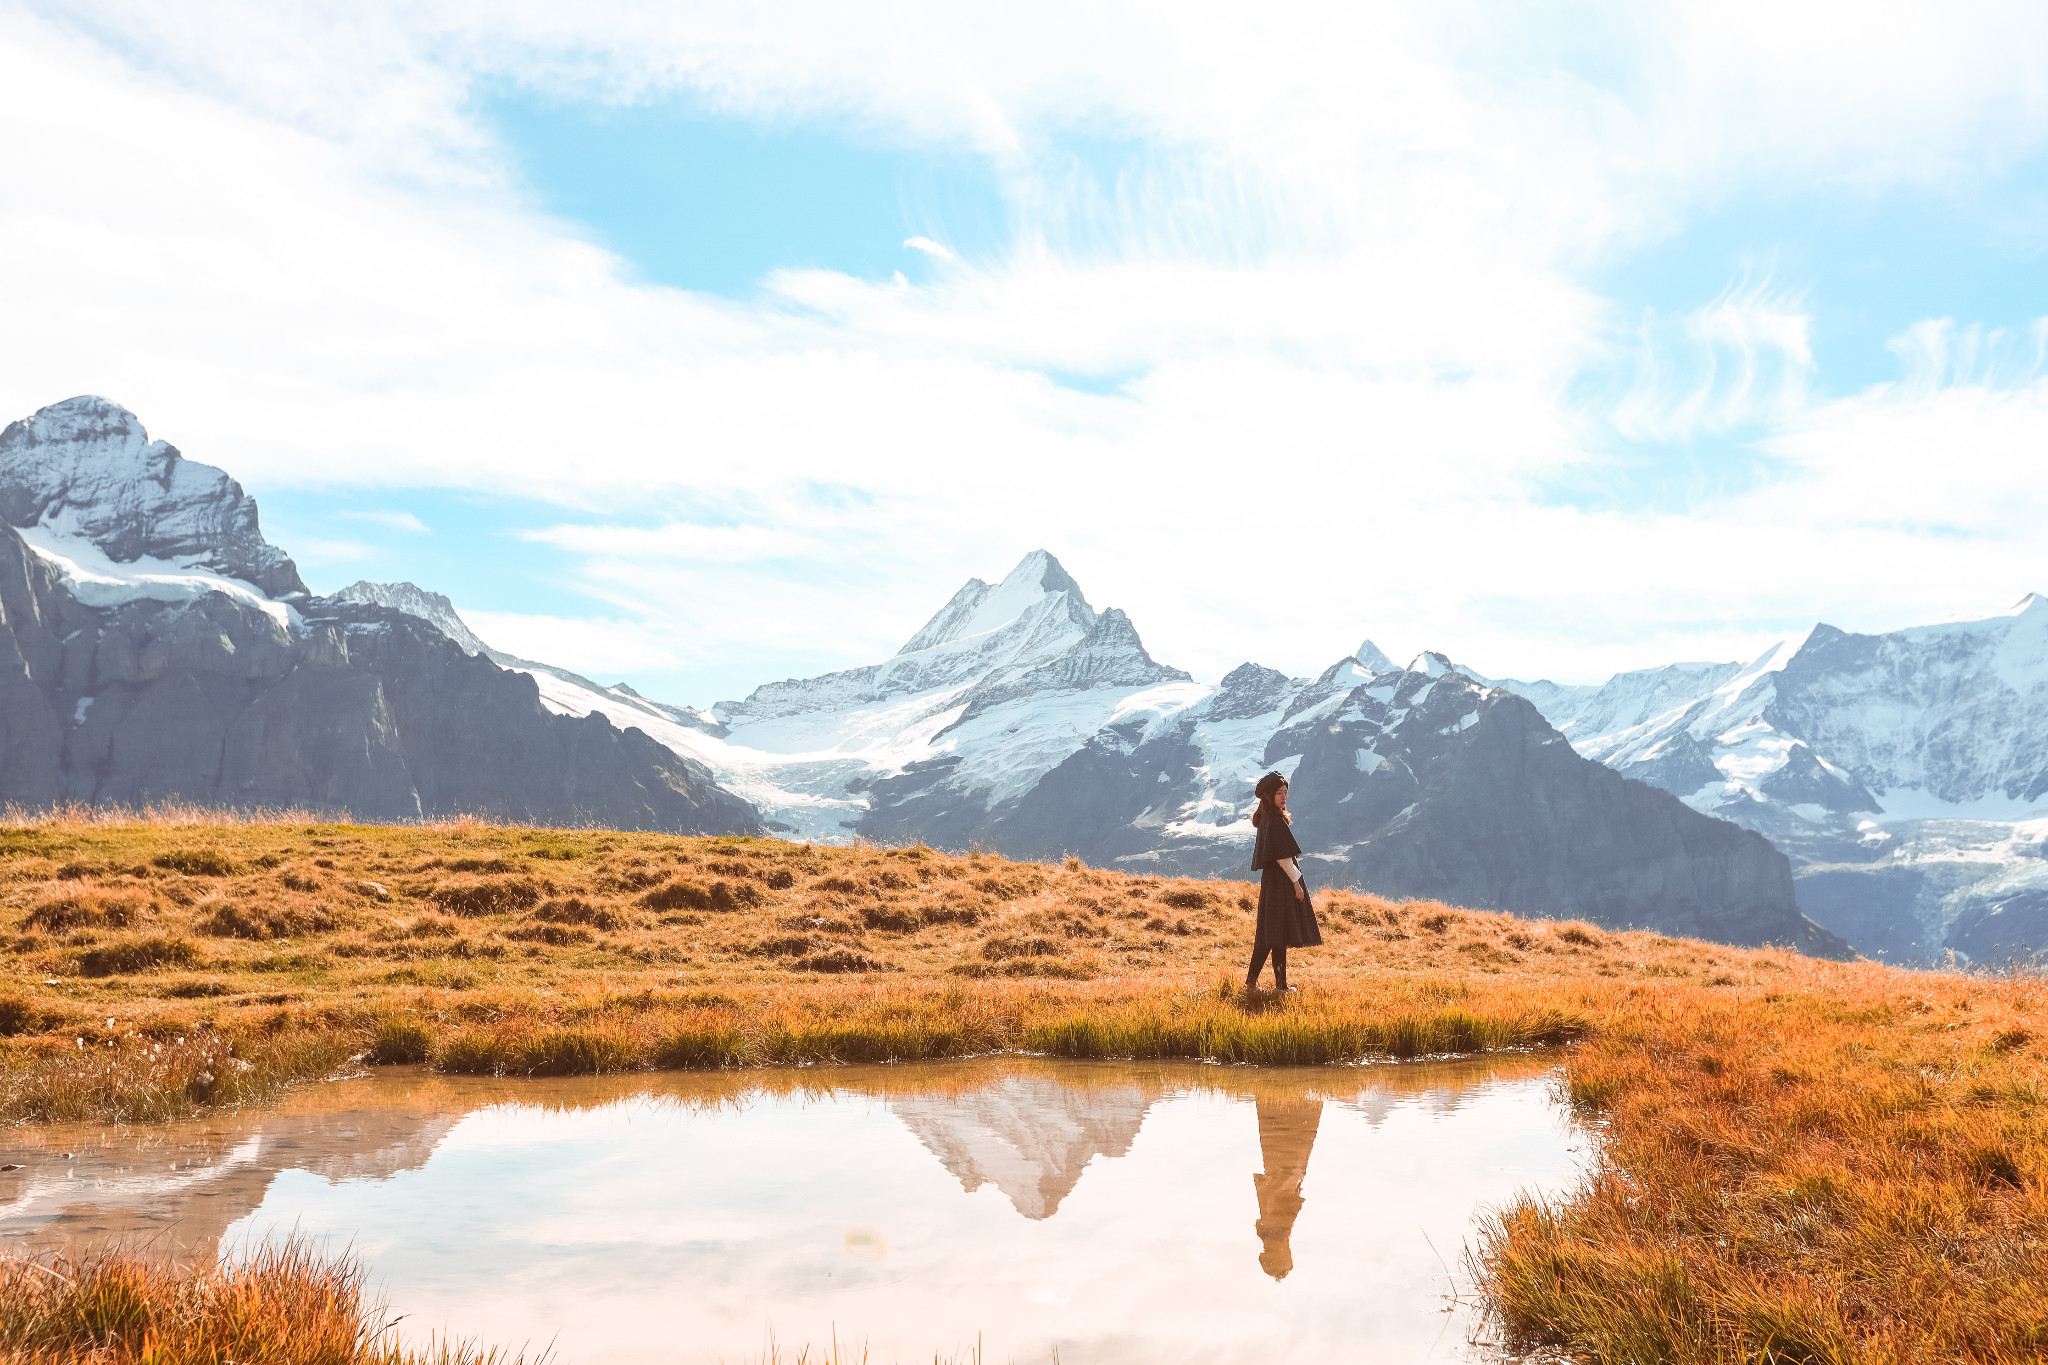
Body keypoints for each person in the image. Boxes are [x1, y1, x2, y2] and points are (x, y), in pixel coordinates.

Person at [1246, 770, 1322, 991]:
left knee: (1273, 935)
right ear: (1269, 796)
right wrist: (1297, 885)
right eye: (1279, 793)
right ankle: (1259, 984)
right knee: (1272, 935)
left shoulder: (1267, 819)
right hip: (1281, 883)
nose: (1284, 797)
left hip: (1272, 882)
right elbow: (1284, 858)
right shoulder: (1274, 822)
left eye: (1285, 793)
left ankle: (1276, 986)